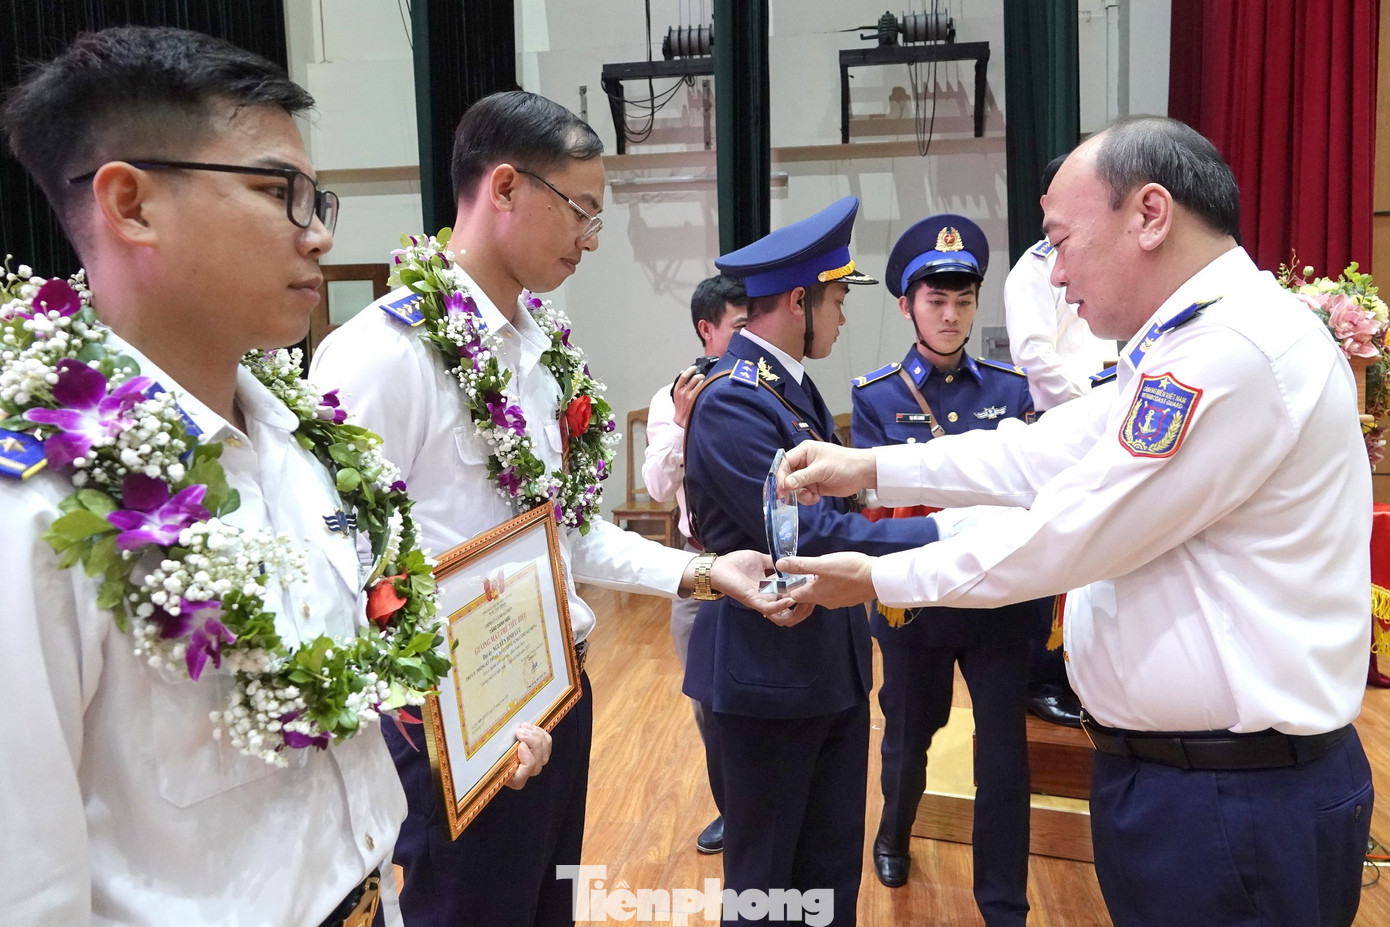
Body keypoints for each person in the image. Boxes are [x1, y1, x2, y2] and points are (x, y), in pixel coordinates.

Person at [774, 115, 1375, 927]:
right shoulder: (1183, 342)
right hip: (1191, 779)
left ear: (1150, 215)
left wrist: (879, 574)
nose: (1053, 277)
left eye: (1059, 240)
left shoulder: (1233, 351)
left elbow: (1069, 529)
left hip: (1237, 796)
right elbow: (1044, 453)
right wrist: (875, 466)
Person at [310, 90, 788, 927]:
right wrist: (426, 721)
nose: (591, 239)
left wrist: (706, 568)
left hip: (557, 689)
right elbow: (339, 566)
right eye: (580, 211)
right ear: (503, 188)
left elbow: (566, 529)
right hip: (450, 724)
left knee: (544, 909)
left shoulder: (543, 346)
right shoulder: (380, 355)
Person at [0, 25, 425, 926]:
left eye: (319, 201)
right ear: (132, 204)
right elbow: (26, 887)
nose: (316, 237)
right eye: (282, 194)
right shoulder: (37, 507)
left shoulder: (299, 433)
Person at [682, 196, 942, 926]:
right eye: (837, 298)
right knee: (768, 891)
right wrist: (937, 539)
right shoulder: (735, 400)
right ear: (798, 301)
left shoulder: (785, 387)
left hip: (822, 670)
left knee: (827, 883)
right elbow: (807, 531)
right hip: (766, 679)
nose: (843, 316)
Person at [849, 214, 1047, 923]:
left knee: (1003, 756)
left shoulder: (1011, 387)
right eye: (936, 299)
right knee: (908, 732)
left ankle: (1003, 899)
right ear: (907, 305)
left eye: (964, 299)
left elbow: (1025, 488)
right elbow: (879, 505)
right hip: (918, 600)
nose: (952, 313)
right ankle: (894, 828)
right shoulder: (876, 395)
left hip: (998, 600)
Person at [642, 272, 749, 855]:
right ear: (707, 330)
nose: (748, 335)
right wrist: (684, 426)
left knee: (761, 696)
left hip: (761, 560)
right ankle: (732, 810)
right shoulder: (672, 396)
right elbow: (658, 486)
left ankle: (766, 806)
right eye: (737, 326)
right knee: (706, 697)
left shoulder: (762, 388)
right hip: (698, 564)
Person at [1004, 154, 1102, 728]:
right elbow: (1034, 356)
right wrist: (1094, 409)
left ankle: (1087, 669)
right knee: (1059, 550)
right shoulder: (1032, 271)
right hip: (1067, 422)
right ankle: (1043, 678)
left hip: (1110, 419)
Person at [1005, 153, 1115, 412]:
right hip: (1062, 413)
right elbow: (1032, 353)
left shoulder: (1105, 257)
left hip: (1108, 405)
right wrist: (1086, 398)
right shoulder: (1035, 268)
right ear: (1046, 203)